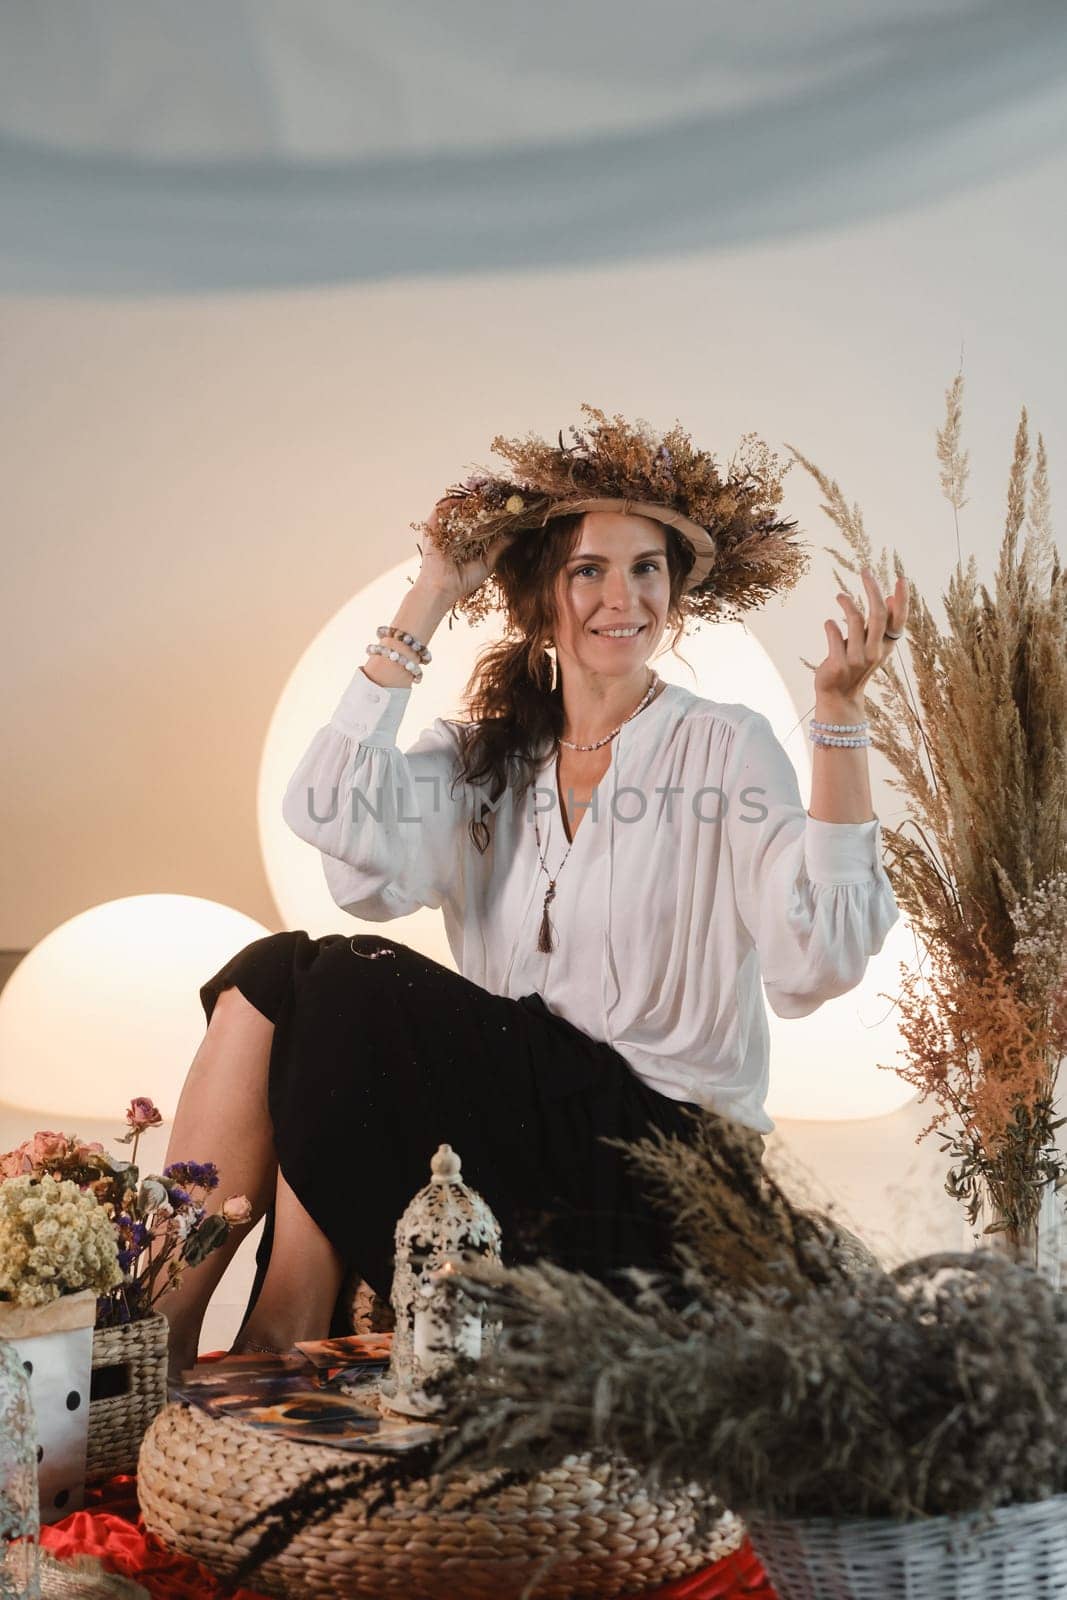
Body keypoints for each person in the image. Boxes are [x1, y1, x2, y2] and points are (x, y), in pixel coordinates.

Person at [159, 408, 908, 1375]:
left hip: (661, 1164)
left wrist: (839, 717)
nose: (620, 596)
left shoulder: (723, 744)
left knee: (342, 981)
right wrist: (429, 593)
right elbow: (327, 806)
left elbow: (819, 960)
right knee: (274, 974)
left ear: (673, 592)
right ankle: (162, 1339)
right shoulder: (485, 757)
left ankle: (284, 1316)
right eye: (587, 569)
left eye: (646, 568)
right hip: (511, 1140)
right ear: (537, 597)